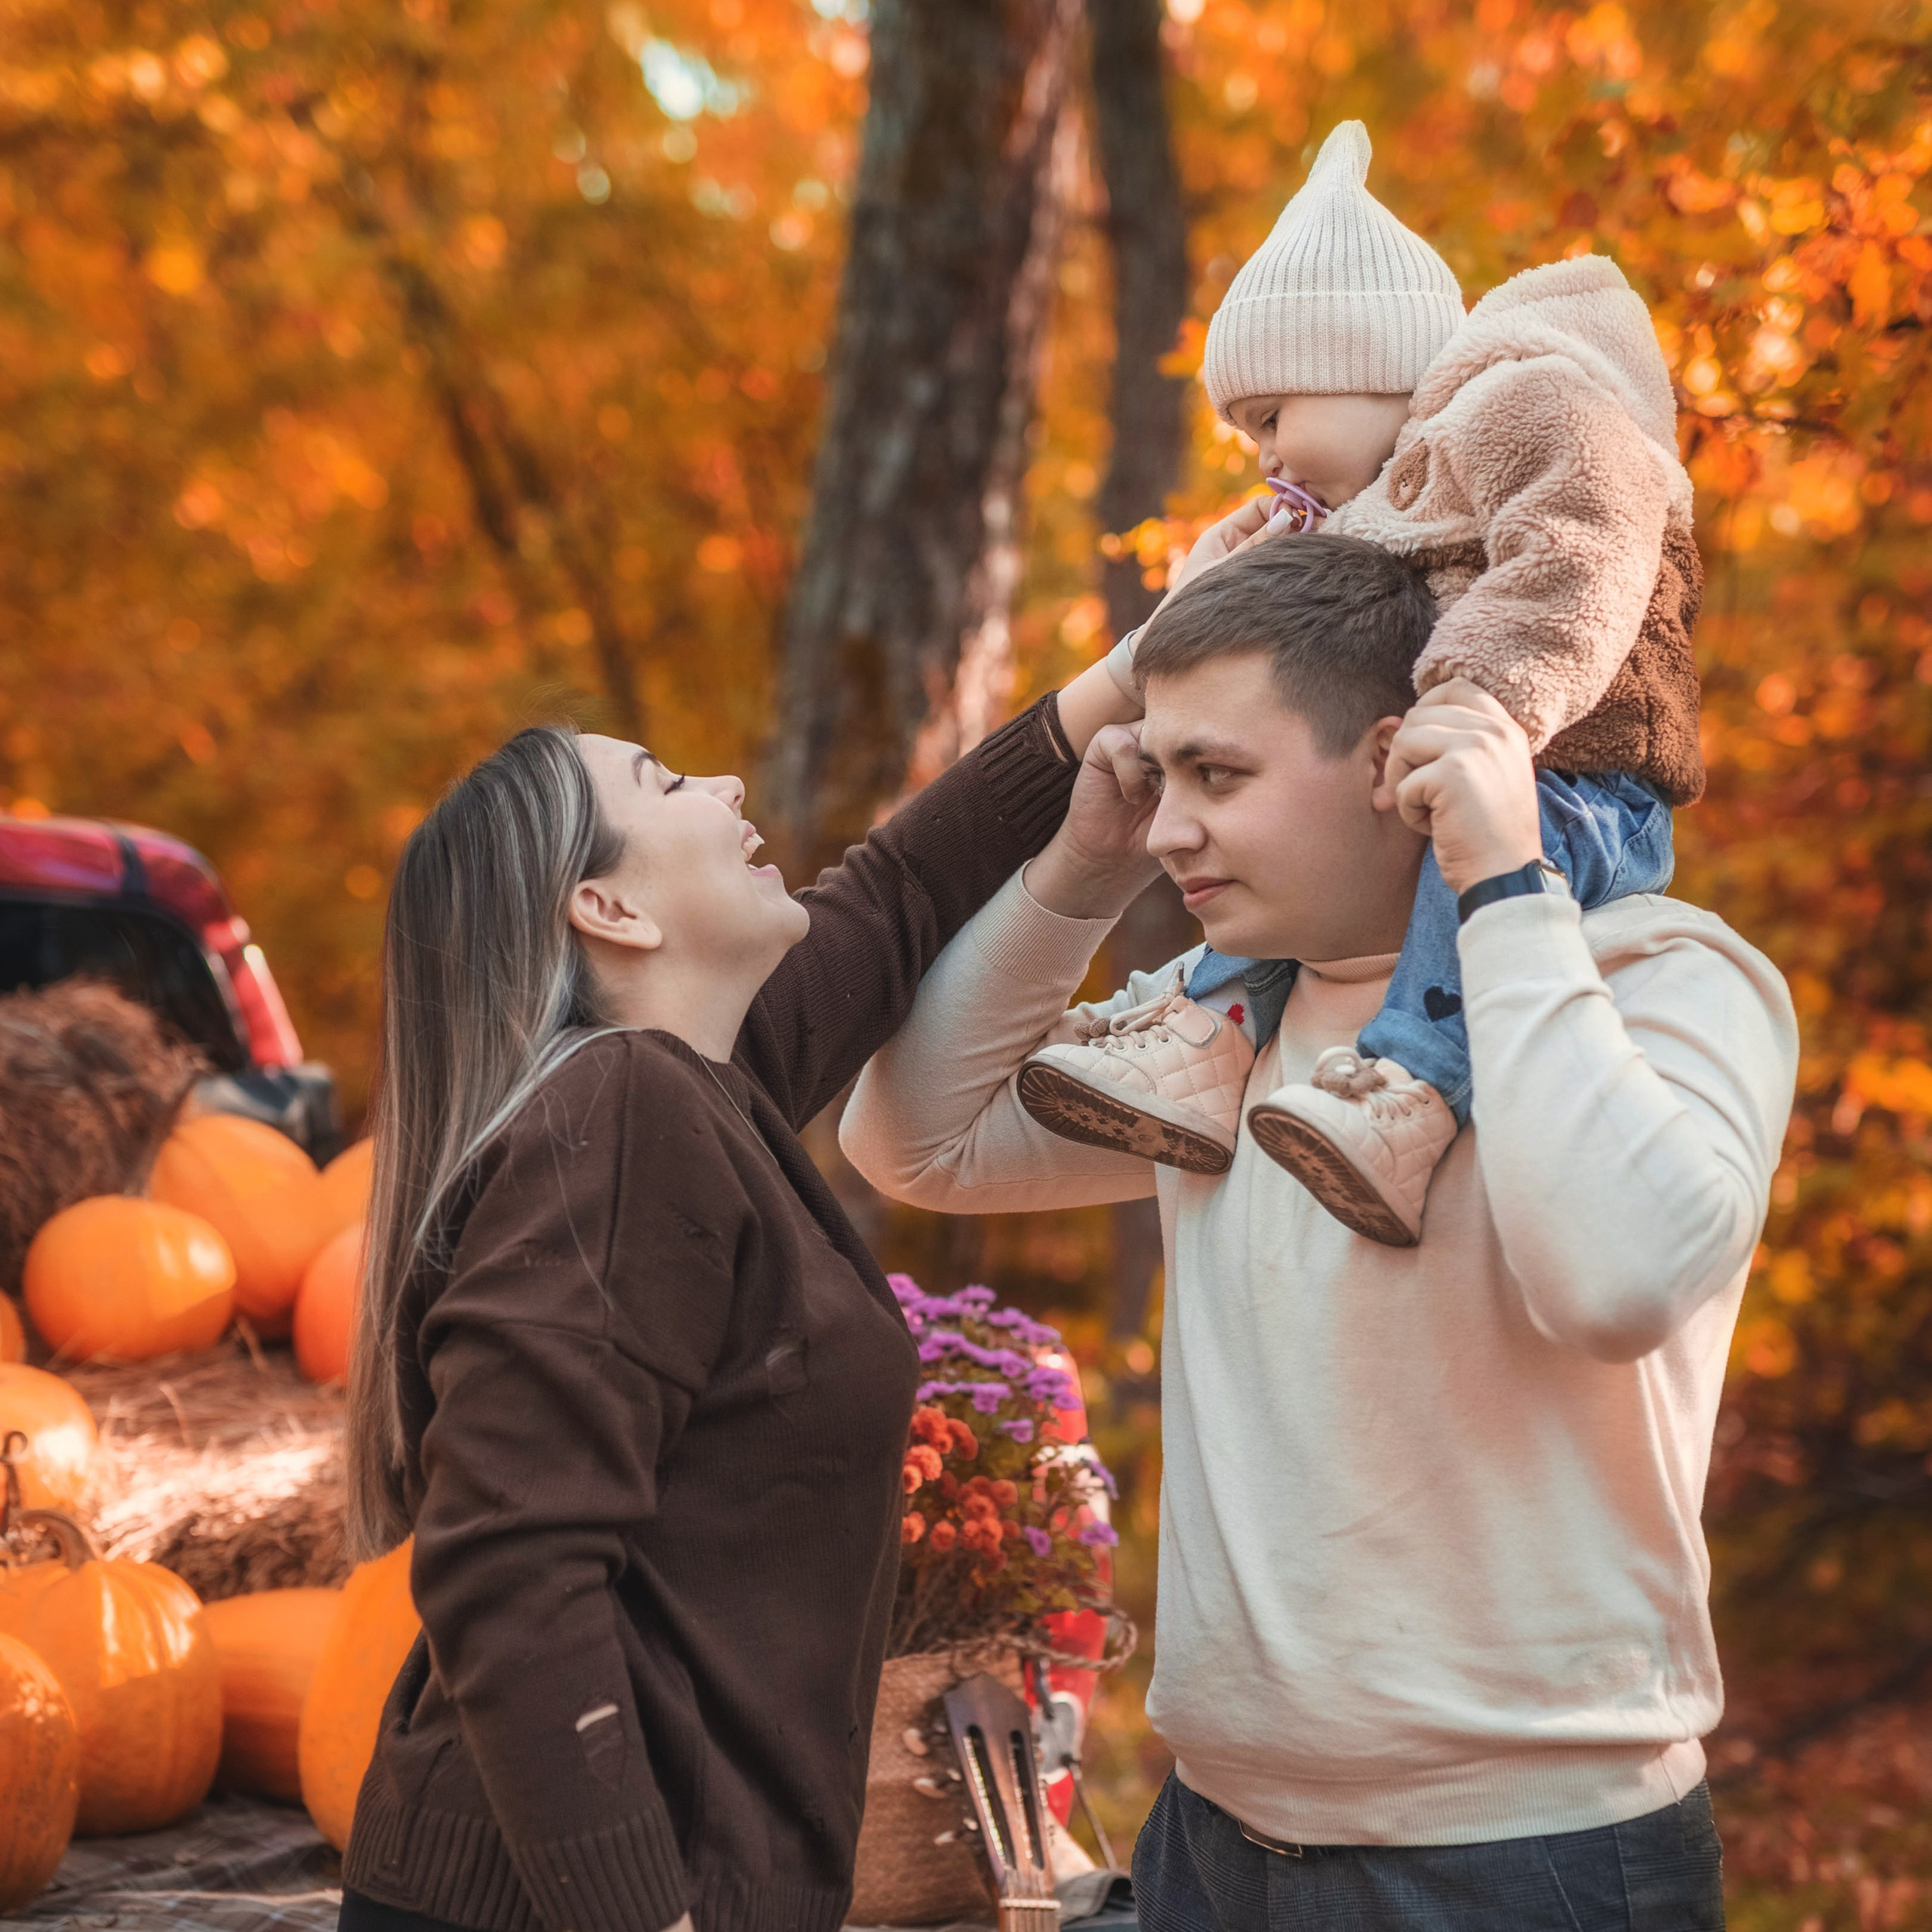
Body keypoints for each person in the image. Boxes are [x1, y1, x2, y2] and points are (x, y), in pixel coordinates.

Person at [841, 534, 1798, 1930]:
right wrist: (1082, 872)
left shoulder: (1660, 975)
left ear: (1397, 757)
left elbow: (1621, 1281)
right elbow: (915, 1136)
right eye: (1157, 776)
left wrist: (1503, 886)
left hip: (1524, 1867)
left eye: (1217, 776)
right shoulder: (1216, 1025)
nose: (1172, 824)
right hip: (1210, 1843)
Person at [333, 643, 1138, 1932]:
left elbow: (898, 894)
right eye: (663, 785)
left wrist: (1137, 670)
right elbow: (511, 1565)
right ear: (611, 911)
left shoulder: (696, 1091)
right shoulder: (625, 1113)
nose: (719, 780)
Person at [1018, 121, 1703, 1247]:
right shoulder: (1390, 503)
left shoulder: (1529, 400)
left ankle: (1411, 1091)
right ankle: (1209, 1036)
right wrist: (1208, 592)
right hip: (1470, 764)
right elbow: (1286, 673)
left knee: (1449, 853)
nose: (1264, 456)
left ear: (1361, 366)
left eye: (1270, 417)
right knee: (1289, 813)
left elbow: (1585, 546)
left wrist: (1484, 699)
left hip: (1585, 778)